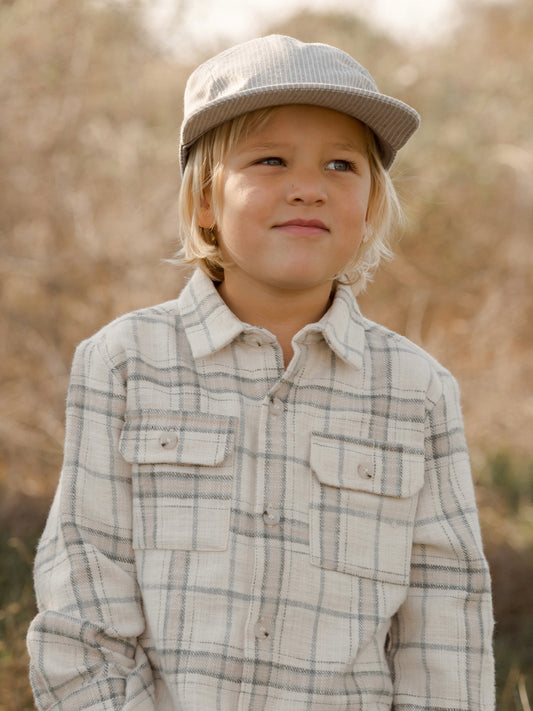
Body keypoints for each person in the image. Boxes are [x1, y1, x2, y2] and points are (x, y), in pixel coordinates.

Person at [27, 34, 495, 710]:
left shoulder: (417, 389)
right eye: (269, 160)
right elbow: (83, 596)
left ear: (368, 206)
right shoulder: (123, 363)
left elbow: (445, 618)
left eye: (341, 165)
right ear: (206, 201)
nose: (307, 188)